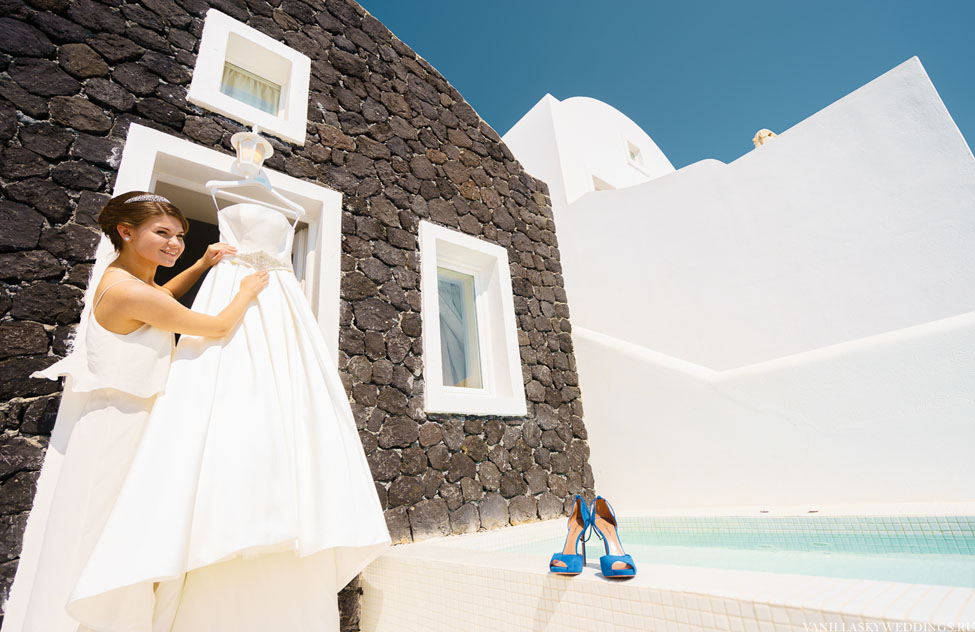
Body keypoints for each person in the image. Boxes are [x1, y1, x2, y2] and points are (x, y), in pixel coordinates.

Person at [2, 191, 268, 632]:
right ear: (126, 232)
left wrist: (201, 264)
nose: (175, 244)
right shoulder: (129, 292)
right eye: (162, 233)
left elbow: (158, 296)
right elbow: (217, 325)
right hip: (119, 428)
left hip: (119, 417)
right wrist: (246, 291)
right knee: (111, 532)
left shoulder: (122, 279)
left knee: (106, 528)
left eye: (179, 235)